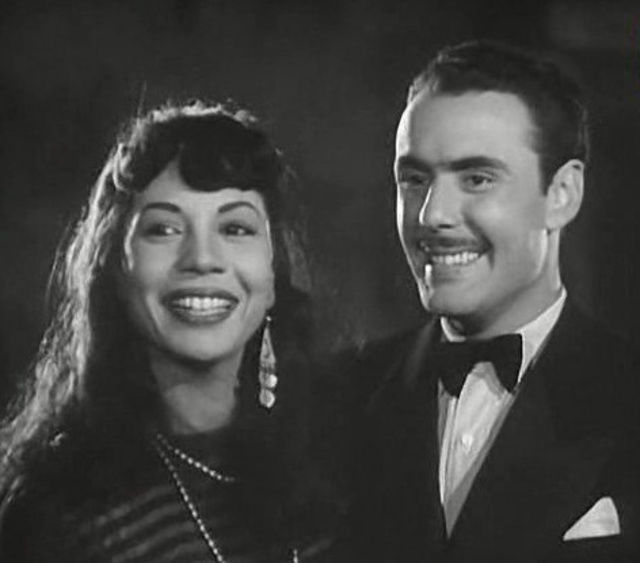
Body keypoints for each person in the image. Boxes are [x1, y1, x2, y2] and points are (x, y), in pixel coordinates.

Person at [343, 41, 640, 563]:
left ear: (562, 194)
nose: (432, 215)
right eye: (414, 180)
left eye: (476, 179)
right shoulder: (339, 399)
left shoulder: (627, 397)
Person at [0, 101, 334, 562]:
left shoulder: (341, 453)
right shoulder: (57, 516)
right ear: (114, 269)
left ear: (275, 273)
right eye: (164, 229)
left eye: (235, 228)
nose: (202, 259)